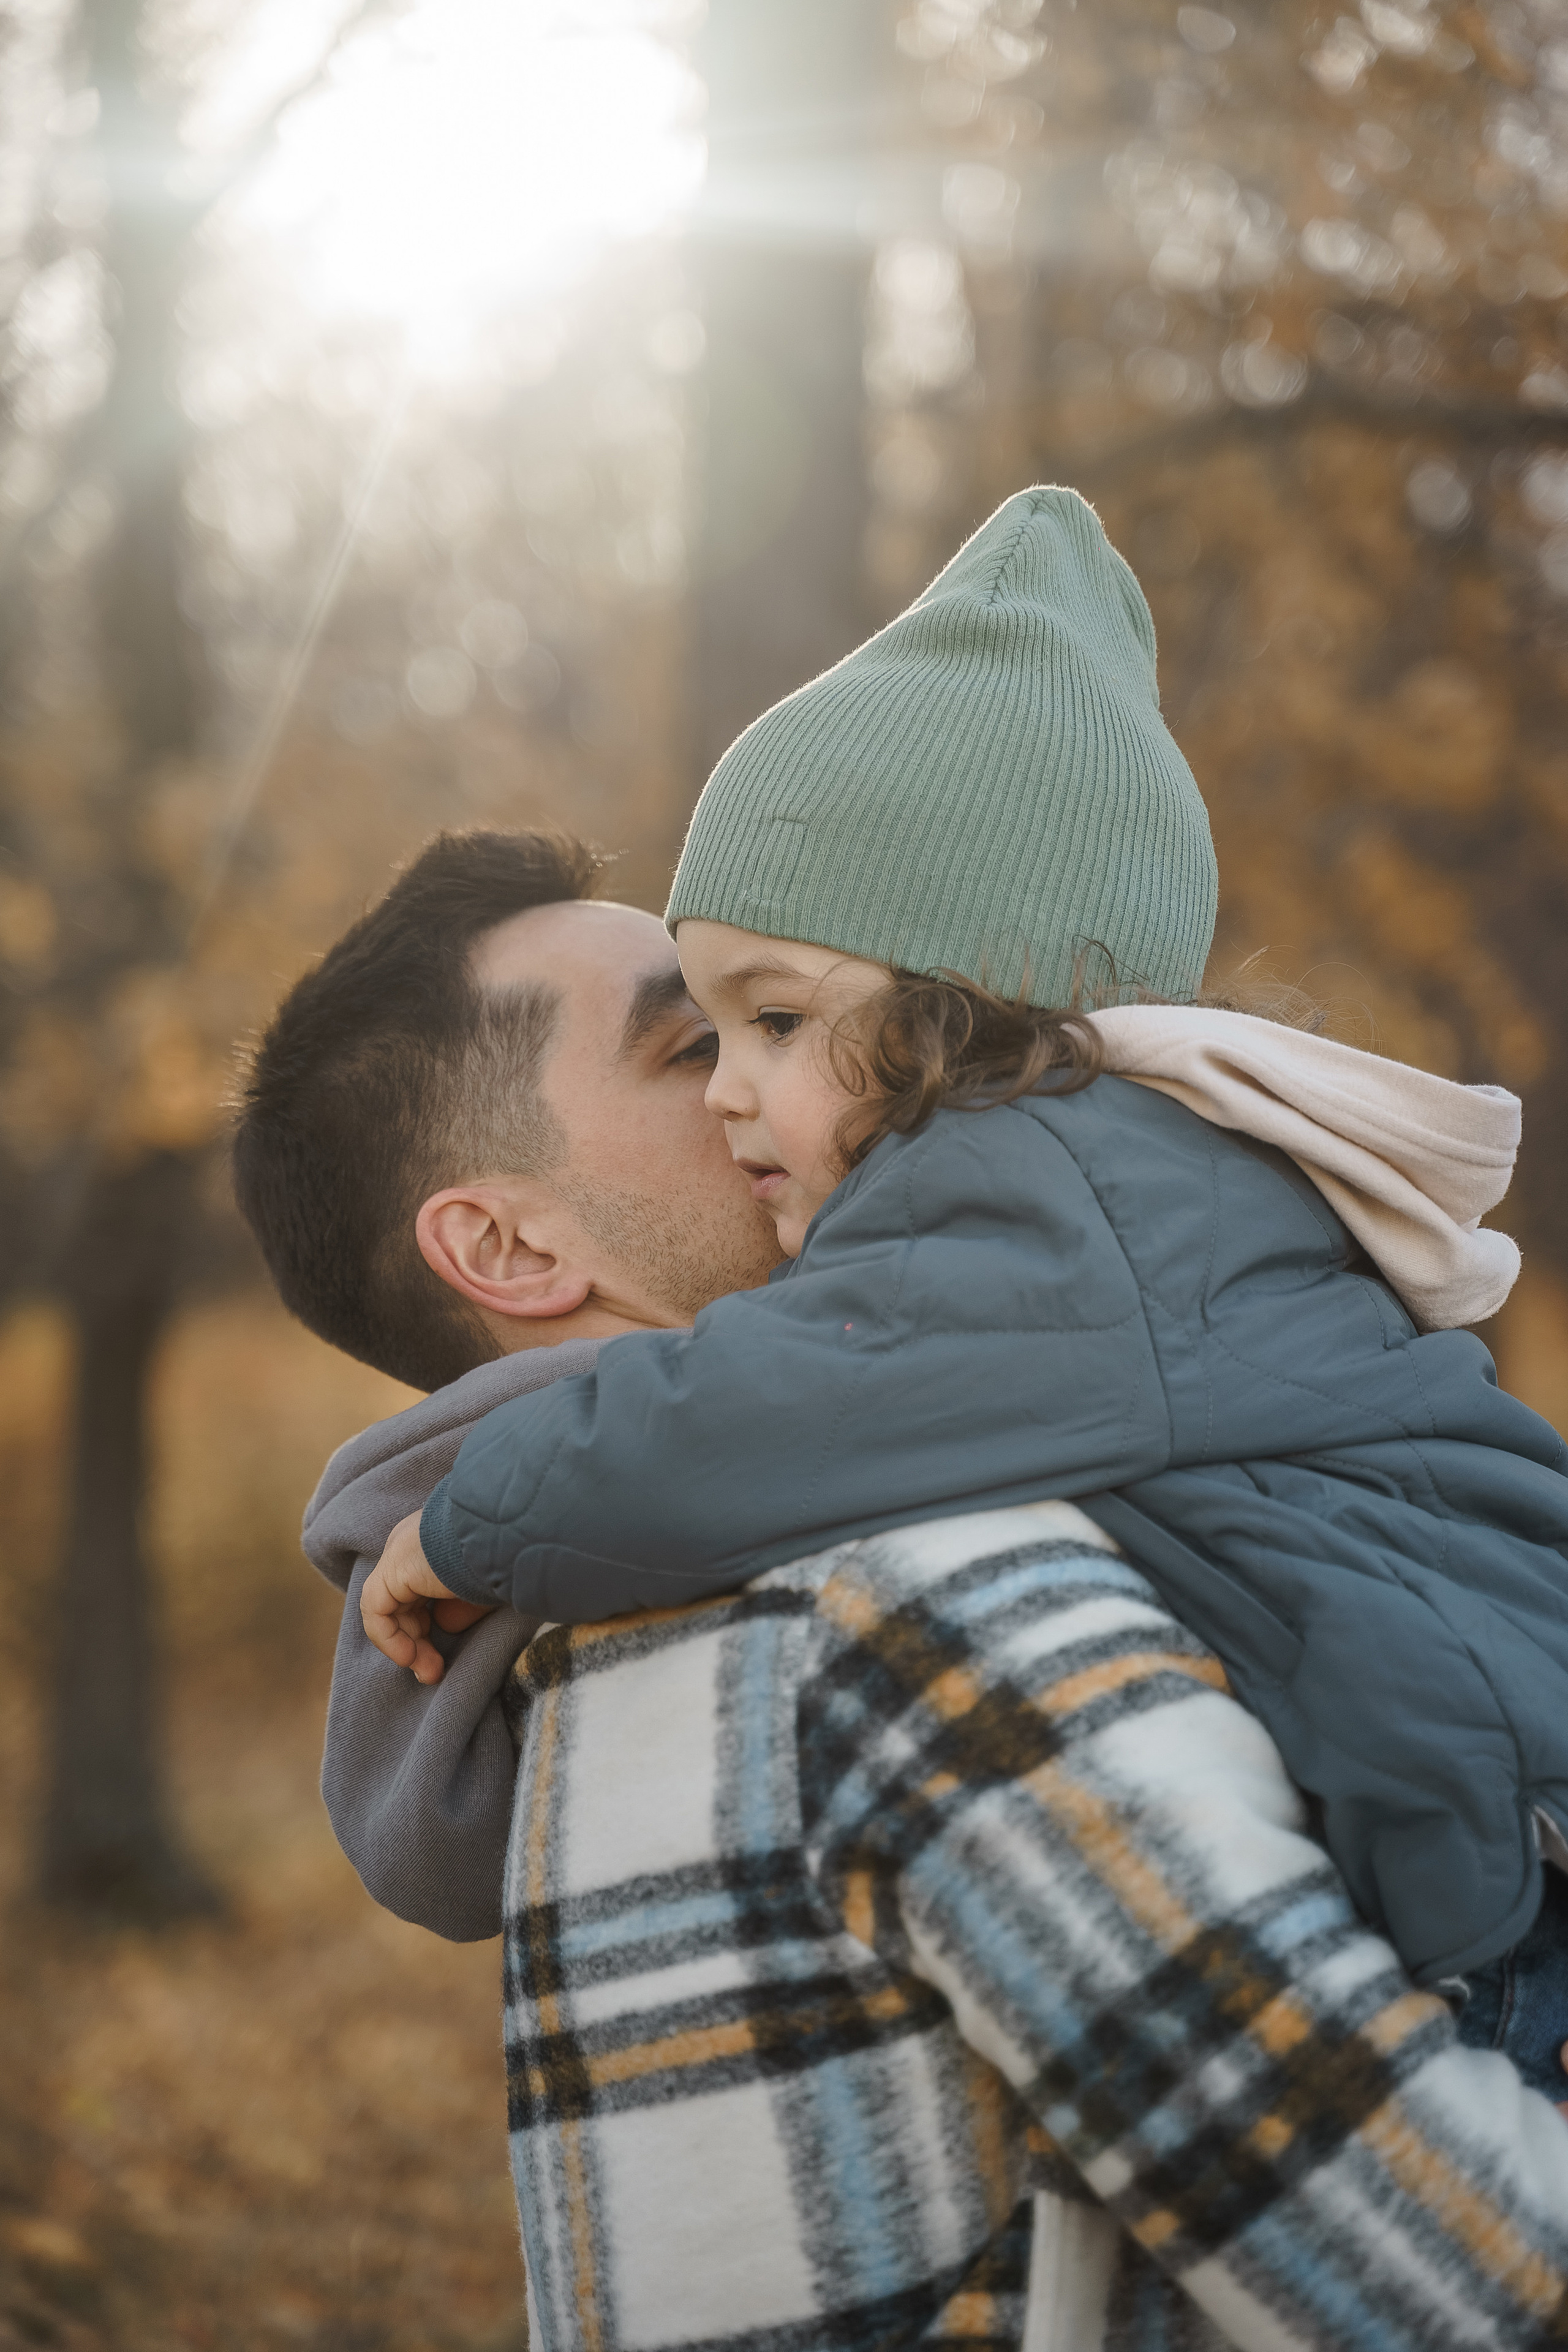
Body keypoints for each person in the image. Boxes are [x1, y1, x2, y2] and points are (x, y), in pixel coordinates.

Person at [232, 826, 783, 1934]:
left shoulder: (564, 1744)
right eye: (693, 1046)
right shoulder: (793, 1630)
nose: (782, 1069)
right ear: (508, 1250)